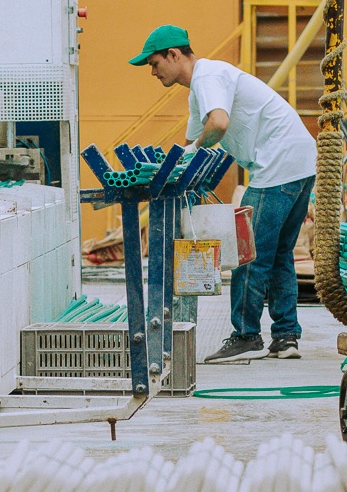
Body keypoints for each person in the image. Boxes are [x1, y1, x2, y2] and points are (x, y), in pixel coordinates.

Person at [129, 24, 317, 363]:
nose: (153, 72)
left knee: (249, 254)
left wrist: (194, 151)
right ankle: (286, 336)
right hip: (301, 163)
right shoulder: (201, 87)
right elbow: (191, 144)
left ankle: (246, 336)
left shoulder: (207, 76)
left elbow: (217, 124)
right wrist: (179, 160)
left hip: (278, 165)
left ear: (174, 55)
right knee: (278, 254)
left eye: (155, 64)